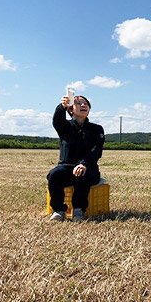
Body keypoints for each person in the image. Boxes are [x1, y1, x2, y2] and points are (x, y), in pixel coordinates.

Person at [47, 94, 105, 222]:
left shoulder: (97, 129)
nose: (83, 105)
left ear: (89, 109)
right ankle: (58, 211)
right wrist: (61, 107)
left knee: (81, 174)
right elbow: (57, 119)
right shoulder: (65, 127)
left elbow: (96, 151)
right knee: (54, 174)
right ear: (71, 110)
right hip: (66, 167)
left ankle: (78, 210)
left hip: (88, 169)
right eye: (78, 103)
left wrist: (84, 164)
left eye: (86, 103)